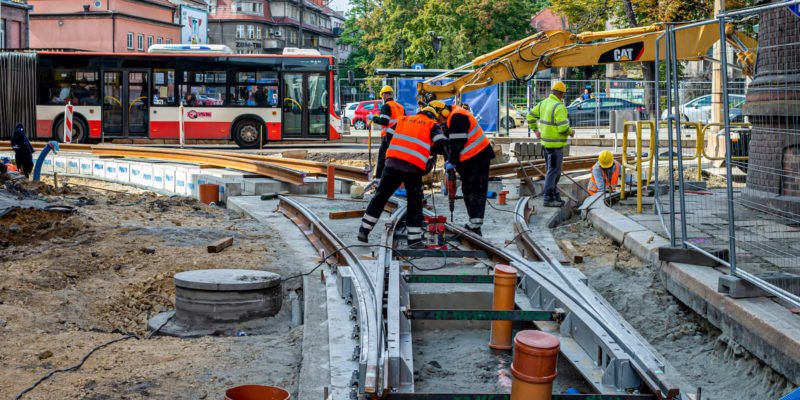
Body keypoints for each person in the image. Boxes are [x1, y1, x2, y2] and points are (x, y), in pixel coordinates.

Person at [358, 106, 448, 246]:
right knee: (414, 201)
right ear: (433, 116)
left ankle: (364, 230)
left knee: (381, 196)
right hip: (413, 167)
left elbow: (388, 136)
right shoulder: (431, 124)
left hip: (393, 163)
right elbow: (442, 143)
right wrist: (431, 151)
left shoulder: (403, 119)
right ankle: (414, 239)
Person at [429, 100, 494, 235]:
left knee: (474, 189)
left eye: (440, 119)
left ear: (444, 112)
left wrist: (452, 161)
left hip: (478, 156)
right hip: (471, 158)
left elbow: (456, 144)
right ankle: (474, 224)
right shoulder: (450, 118)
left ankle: (475, 225)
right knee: (469, 189)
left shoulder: (458, 117)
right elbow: (448, 144)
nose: (439, 122)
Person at [527, 81, 574, 207]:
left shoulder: (543, 103)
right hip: (555, 147)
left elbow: (530, 116)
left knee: (552, 171)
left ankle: (553, 194)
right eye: (563, 94)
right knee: (553, 172)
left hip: (546, 145)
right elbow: (563, 128)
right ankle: (548, 197)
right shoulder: (559, 107)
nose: (563, 96)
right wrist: (571, 132)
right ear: (561, 94)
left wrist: (536, 130)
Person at [368, 85, 405, 180]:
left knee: (382, 158)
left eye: (382, 95)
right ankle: (396, 179)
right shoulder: (400, 107)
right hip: (399, 137)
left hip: (388, 137)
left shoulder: (386, 106)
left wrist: (373, 118)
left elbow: (384, 121)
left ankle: (379, 179)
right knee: (396, 159)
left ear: (384, 95)